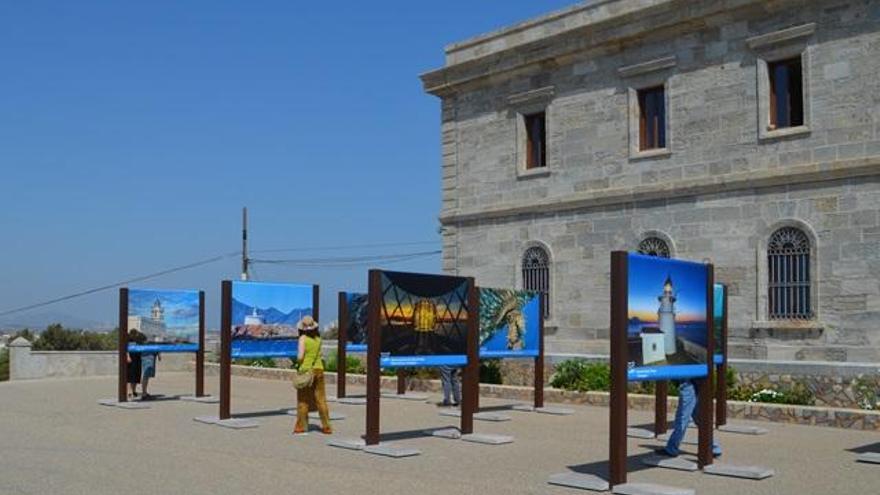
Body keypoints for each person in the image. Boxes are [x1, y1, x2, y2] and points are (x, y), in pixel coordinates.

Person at [661, 379, 721, 458]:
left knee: (682, 417)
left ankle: (672, 448)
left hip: (688, 380)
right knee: (698, 417)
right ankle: (714, 447)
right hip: (698, 380)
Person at [293, 316, 332, 435]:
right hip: (319, 369)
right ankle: (326, 426)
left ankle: (301, 426)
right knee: (321, 400)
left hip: (306, 370)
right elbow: (319, 354)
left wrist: (298, 363)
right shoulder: (318, 339)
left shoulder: (303, 338)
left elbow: (300, 357)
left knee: (303, 400)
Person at [126, 329, 143, 398]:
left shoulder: (138, 341)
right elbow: (125, 349)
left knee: (136, 376)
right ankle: (129, 392)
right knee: (130, 376)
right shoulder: (128, 340)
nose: (136, 335)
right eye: (134, 334)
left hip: (138, 359)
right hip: (131, 359)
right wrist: (128, 356)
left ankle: (134, 391)